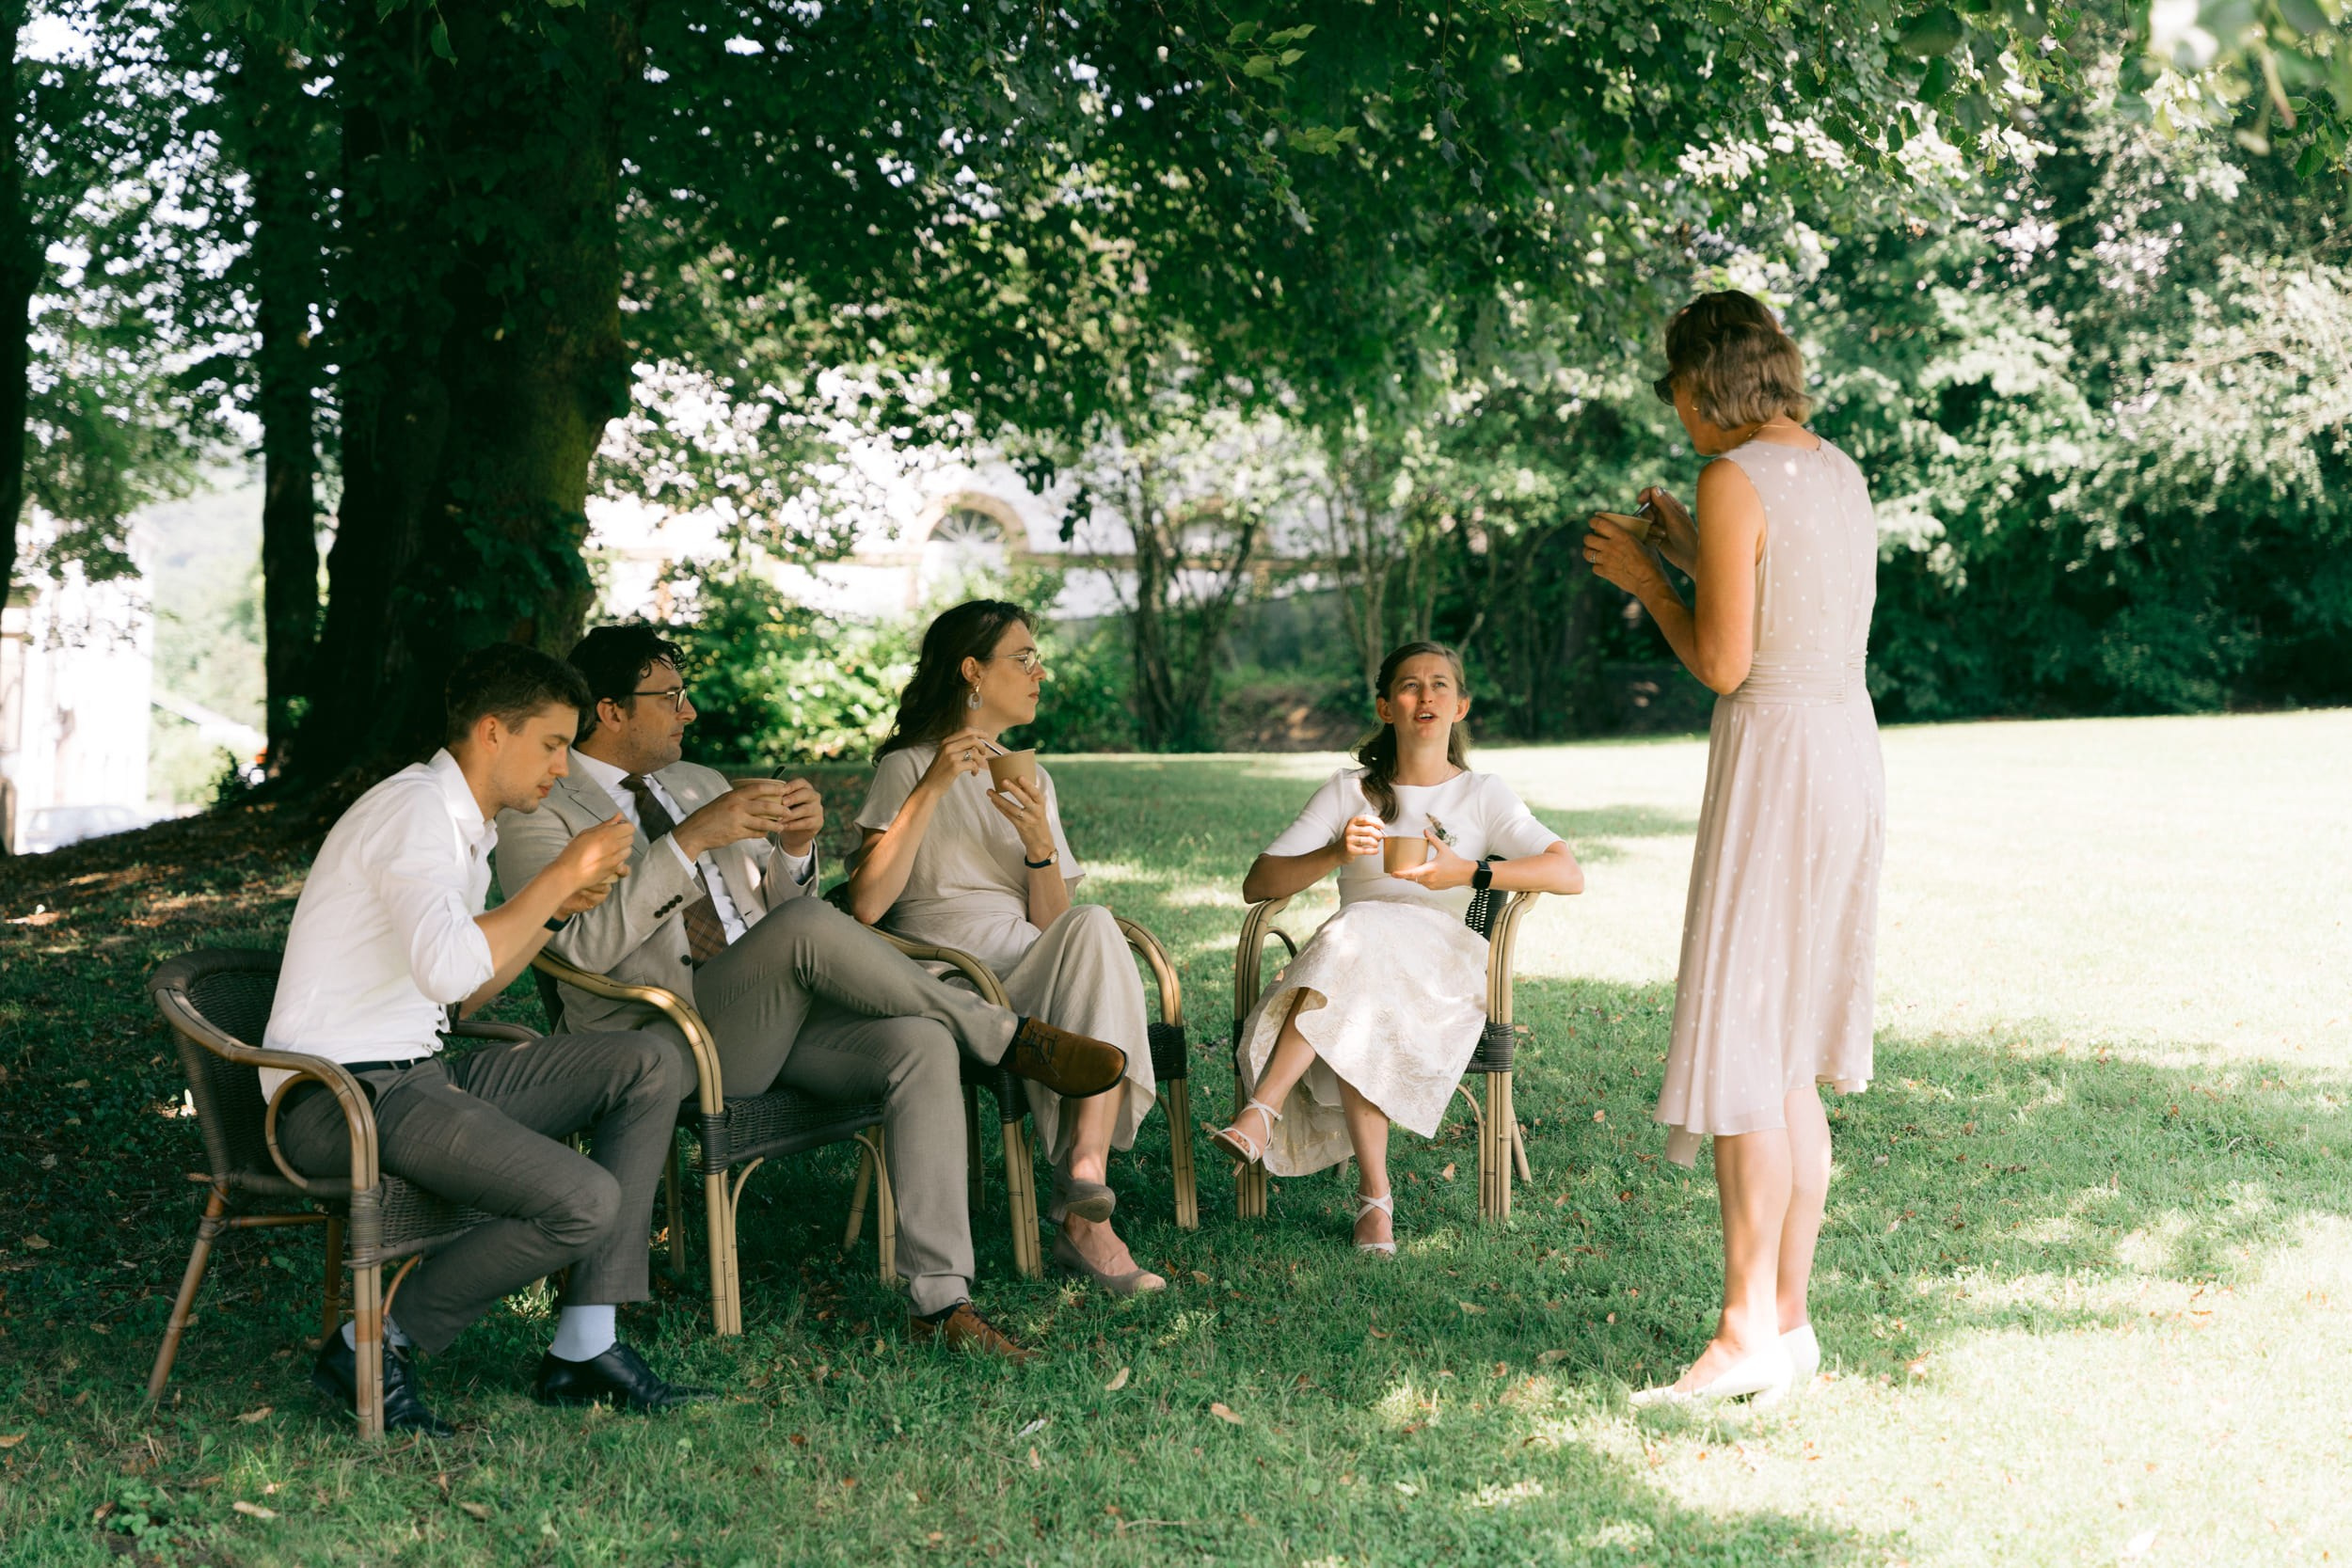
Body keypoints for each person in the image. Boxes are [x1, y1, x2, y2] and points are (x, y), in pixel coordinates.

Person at [493, 623, 1129, 1361]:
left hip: (769, 1015)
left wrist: (795, 848)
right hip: (664, 1037)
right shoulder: (538, 813)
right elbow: (582, 948)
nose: (689, 713)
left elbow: (769, 900)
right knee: (804, 929)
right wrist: (687, 842)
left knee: (920, 1044)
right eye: (669, 697)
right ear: (610, 710)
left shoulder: (696, 781)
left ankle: (940, 1298)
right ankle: (1005, 1035)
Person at [263, 643, 706, 1435]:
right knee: (583, 1200)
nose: (564, 767)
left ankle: (585, 1346)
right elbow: (448, 970)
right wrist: (556, 881)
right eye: (551, 744)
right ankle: (371, 1342)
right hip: (342, 1095)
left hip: (414, 1076)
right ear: (493, 731)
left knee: (649, 1059)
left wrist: (557, 905)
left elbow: (468, 990)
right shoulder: (415, 815)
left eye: (569, 746)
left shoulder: (468, 825)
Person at [1582, 290, 1885, 1408]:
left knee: (1748, 1039)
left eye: (1675, 392)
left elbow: (1723, 661)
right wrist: (1686, 541)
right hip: (1844, 753)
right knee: (1787, 1043)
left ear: (1704, 383)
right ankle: (1787, 1323)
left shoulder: (1729, 475)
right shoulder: (1839, 469)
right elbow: (1791, 603)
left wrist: (1648, 577)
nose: (1675, 418)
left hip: (1775, 761)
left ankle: (1737, 1333)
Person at [1209, 641, 1584, 1253]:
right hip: (1356, 964)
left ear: (1460, 705)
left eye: (1440, 684)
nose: (1426, 694)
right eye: (1410, 685)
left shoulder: (1484, 794)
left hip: (1444, 965)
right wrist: (1335, 853)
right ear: (1387, 706)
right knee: (1360, 958)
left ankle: (1263, 1109)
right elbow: (1260, 882)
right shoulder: (1349, 790)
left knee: (1355, 938)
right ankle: (1374, 1201)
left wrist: (1469, 872)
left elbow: (1568, 872)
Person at [846, 601, 1165, 1296]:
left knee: (1094, 924)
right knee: (1094, 935)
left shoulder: (1032, 776)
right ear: (972, 670)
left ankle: (1085, 1174)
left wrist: (1041, 850)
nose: (1039, 671)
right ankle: (1085, 1225)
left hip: (1022, 955)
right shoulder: (904, 767)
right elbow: (868, 904)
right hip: (946, 974)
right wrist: (932, 787)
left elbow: (1053, 924)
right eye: (1023, 657)